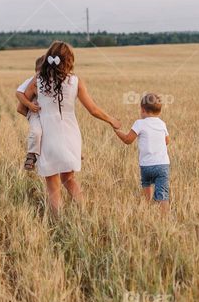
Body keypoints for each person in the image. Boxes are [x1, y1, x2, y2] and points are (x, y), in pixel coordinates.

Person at [19, 41, 121, 215]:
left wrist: (36, 114)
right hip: (70, 135)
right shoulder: (75, 81)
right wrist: (111, 120)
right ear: (69, 60)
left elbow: (21, 107)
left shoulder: (38, 80)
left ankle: (58, 220)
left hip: (48, 135)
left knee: (52, 185)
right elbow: (93, 109)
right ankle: (84, 214)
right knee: (69, 178)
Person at [113, 92, 170, 211]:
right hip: (162, 165)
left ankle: (147, 209)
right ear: (159, 111)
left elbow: (128, 140)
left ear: (143, 110)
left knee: (146, 184)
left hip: (146, 166)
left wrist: (117, 130)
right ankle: (164, 219)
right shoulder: (162, 124)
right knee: (162, 195)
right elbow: (167, 141)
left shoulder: (139, 123)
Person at [14, 55, 45, 171]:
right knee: (36, 132)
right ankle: (31, 154)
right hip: (34, 113)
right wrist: (29, 105)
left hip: (47, 113)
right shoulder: (31, 81)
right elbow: (18, 93)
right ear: (36, 71)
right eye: (40, 72)